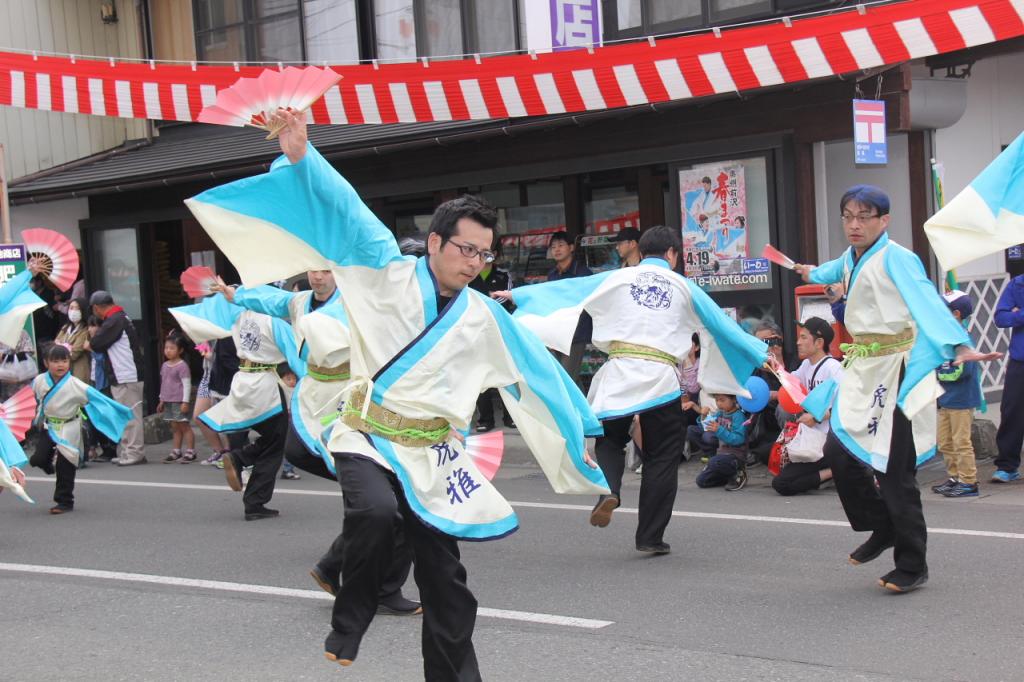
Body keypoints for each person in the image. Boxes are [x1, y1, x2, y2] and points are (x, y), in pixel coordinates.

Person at [183, 108, 608, 676]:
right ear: (434, 242)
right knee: (377, 513)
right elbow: (347, 211)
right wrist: (301, 154)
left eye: (486, 255)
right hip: (364, 433)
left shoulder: (484, 314)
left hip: (433, 453)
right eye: (467, 250)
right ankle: (350, 616)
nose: (477, 264)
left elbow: (540, 374)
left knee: (448, 585)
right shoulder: (385, 269)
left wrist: (583, 432)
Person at [497, 225, 767, 554]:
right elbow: (722, 326)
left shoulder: (618, 277)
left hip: (618, 371)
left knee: (610, 440)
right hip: (661, 379)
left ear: (640, 252)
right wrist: (762, 355)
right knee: (662, 457)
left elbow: (573, 290)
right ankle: (650, 537)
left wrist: (519, 295)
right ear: (672, 255)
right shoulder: (684, 286)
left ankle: (609, 489)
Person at [794, 184, 999, 593]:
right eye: (848, 216)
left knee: (894, 471)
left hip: (900, 371)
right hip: (865, 371)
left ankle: (912, 563)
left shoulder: (898, 258)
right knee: (838, 450)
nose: (854, 224)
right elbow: (829, 272)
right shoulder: (851, 257)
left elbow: (927, 301)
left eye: (863, 217)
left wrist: (958, 343)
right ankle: (882, 524)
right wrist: (809, 272)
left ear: (883, 221)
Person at [170, 289, 303, 521]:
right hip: (266, 387)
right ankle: (249, 484)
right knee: (276, 442)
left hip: (242, 382)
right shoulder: (275, 323)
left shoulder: (240, 317)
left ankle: (241, 465)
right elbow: (297, 355)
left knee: (269, 437)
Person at [28, 344, 132, 514]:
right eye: (55, 361)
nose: (60, 364)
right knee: (37, 459)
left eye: (64, 360)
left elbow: (98, 399)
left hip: (70, 427)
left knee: (65, 465)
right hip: (50, 426)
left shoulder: (75, 384)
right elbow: (27, 396)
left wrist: (120, 411)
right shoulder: (39, 380)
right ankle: (46, 464)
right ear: (46, 363)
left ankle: (64, 501)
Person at [771, 317, 841, 496]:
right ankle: (829, 473)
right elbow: (790, 383)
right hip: (810, 439)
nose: (797, 342)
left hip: (827, 442)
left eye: (803, 337)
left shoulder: (834, 369)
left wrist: (816, 416)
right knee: (770, 458)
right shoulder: (806, 365)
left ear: (819, 343)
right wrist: (772, 365)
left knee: (782, 484)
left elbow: (847, 406)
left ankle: (835, 471)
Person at [88, 290, 146, 466]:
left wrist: (91, 341)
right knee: (125, 415)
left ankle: (135, 452)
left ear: (97, 308)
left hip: (126, 374)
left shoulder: (114, 320)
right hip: (124, 374)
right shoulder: (119, 317)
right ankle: (129, 451)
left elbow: (96, 343)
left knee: (131, 415)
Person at [932, 291, 982, 497]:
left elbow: (965, 370)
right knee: (945, 441)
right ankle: (955, 477)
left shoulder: (961, 338)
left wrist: (939, 374)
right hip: (946, 399)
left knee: (961, 442)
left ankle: (969, 481)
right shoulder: (944, 336)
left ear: (956, 314)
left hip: (961, 399)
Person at [469, 236, 515, 432]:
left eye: (488, 252)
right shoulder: (469, 274)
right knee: (480, 376)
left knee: (506, 374)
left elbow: (511, 300)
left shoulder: (504, 275)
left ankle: (510, 416)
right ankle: (486, 419)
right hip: (475, 332)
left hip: (500, 331)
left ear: (495, 254)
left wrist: (489, 303)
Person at [546, 231, 593, 385]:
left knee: (566, 380)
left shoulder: (583, 273)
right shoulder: (552, 274)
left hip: (576, 333)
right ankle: (584, 408)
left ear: (571, 247)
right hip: (557, 332)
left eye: (561, 245)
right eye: (553, 247)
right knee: (571, 377)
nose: (557, 250)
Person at [992, 273, 1024, 483]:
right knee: (1011, 411)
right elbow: (1000, 318)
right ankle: (1007, 466)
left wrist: (1018, 312)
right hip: (1020, 358)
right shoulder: (1018, 283)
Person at [693, 394, 749, 491]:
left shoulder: (738, 416)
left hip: (736, 456)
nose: (719, 403)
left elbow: (739, 439)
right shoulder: (720, 413)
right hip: (722, 454)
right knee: (701, 481)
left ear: (734, 400)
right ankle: (726, 477)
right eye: (717, 400)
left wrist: (719, 430)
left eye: (722, 400)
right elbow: (706, 428)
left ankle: (738, 473)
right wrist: (703, 416)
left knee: (714, 461)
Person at [158, 334, 195, 463]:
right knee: (174, 427)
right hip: (168, 400)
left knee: (184, 426)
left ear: (180, 350)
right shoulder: (164, 365)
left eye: (172, 348)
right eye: (166, 347)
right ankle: (176, 450)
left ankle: (190, 451)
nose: (168, 350)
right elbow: (163, 383)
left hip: (178, 401)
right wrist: (161, 399)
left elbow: (186, 384)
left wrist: (185, 401)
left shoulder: (182, 366)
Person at [54, 298, 91, 382]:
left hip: (79, 371)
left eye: (77, 308)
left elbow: (75, 353)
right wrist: (68, 347)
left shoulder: (86, 329)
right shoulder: (65, 327)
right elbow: (55, 346)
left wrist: (61, 345)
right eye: (71, 308)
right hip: (64, 373)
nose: (74, 311)